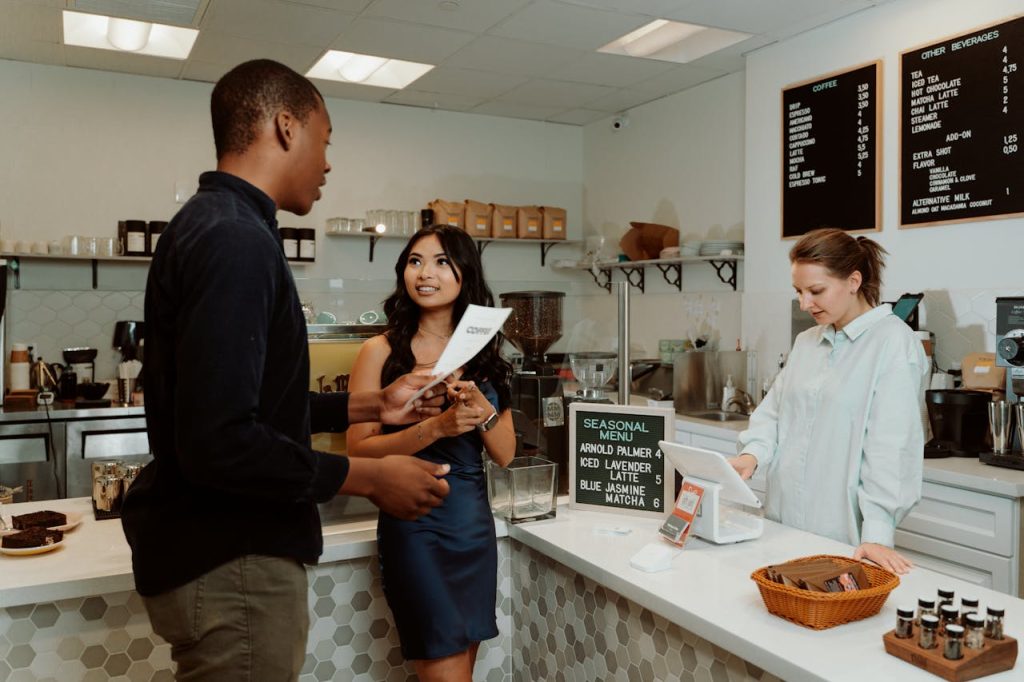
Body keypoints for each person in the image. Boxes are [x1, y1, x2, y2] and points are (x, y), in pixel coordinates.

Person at [120, 59, 452, 681]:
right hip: (234, 558)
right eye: (325, 142)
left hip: (219, 554)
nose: (328, 164)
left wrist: (371, 407)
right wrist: (369, 477)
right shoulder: (236, 238)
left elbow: (254, 410)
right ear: (285, 126)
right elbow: (220, 442)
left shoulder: (218, 224)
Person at [346, 225, 516, 682]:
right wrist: (436, 427)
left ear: (465, 274)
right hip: (415, 526)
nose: (425, 273)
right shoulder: (378, 352)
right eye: (415, 261)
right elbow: (359, 451)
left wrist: (483, 415)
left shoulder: (484, 352)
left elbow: (505, 453)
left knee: (463, 669)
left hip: (472, 526)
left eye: (442, 261)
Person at [729, 228, 928, 574]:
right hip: (781, 524)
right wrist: (751, 454)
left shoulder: (893, 343)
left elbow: (892, 449)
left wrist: (878, 533)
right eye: (799, 291)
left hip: (845, 538)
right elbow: (774, 412)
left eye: (816, 291)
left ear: (853, 281)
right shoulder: (807, 341)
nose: (805, 304)